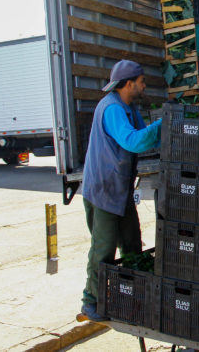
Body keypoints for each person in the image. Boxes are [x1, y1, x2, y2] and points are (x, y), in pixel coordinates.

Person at [80, 60, 162, 321]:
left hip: (121, 189)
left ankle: (132, 295)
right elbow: (134, 141)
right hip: (103, 190)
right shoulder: (112, 108)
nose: (144, 85)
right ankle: (90, 301)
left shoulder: (129, 107)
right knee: (103, 250)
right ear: (129, 84)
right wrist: (164, 123)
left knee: (132, 245)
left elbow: (141, 134)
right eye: (141, 81)